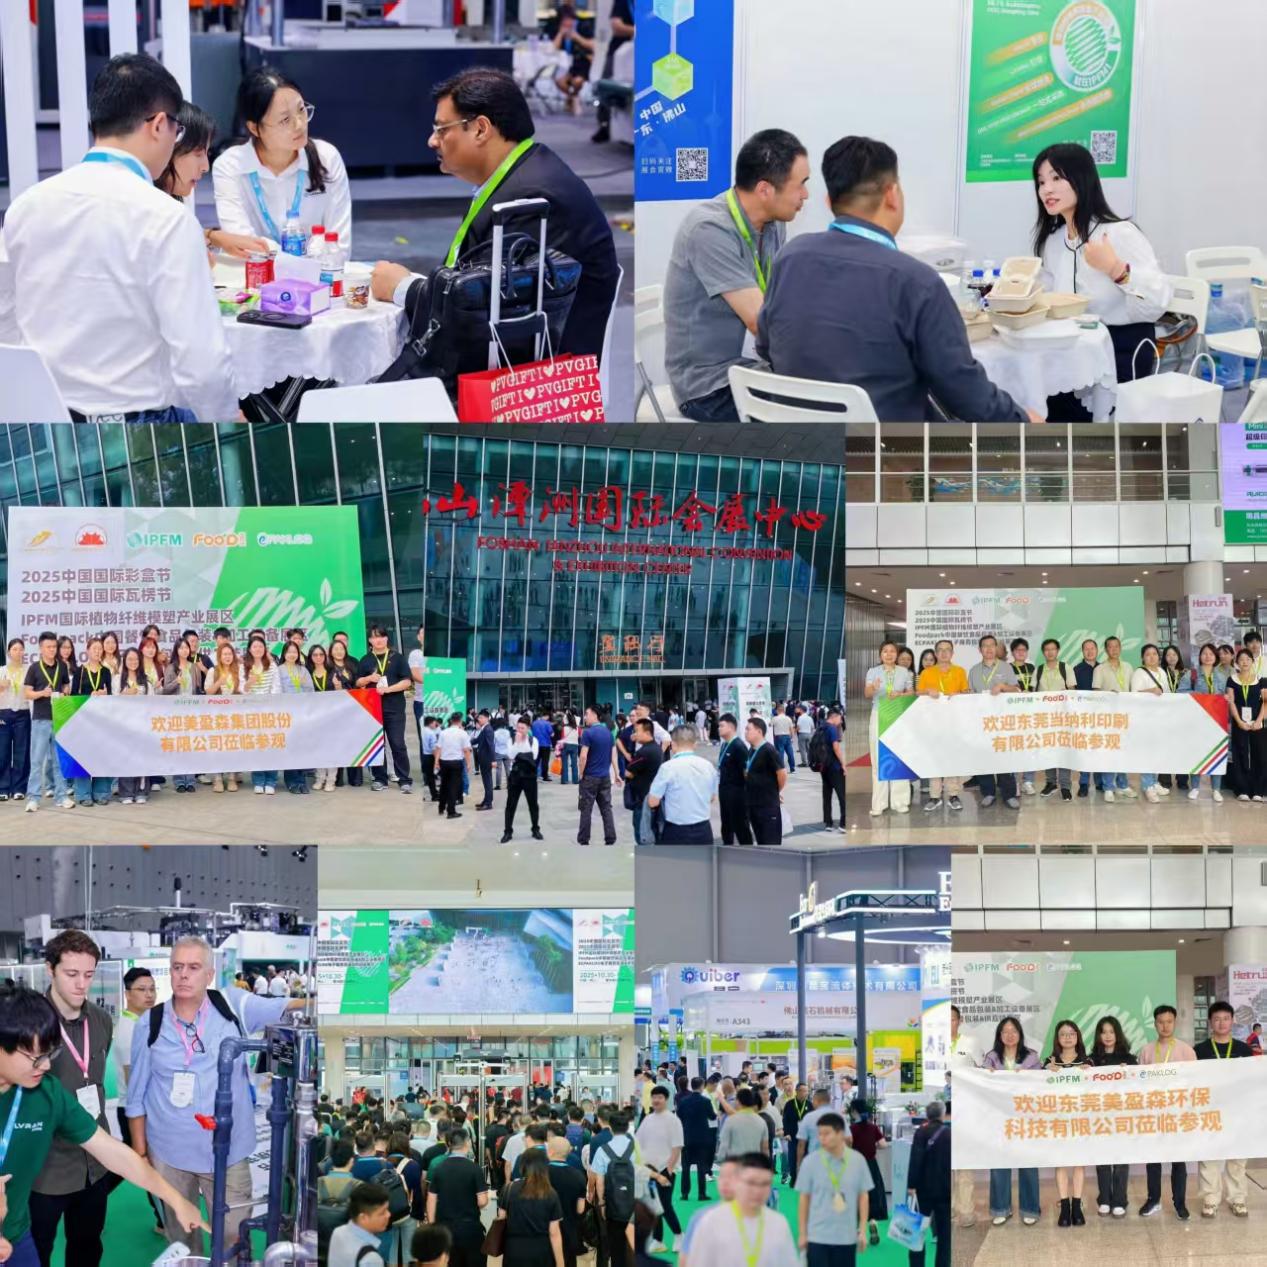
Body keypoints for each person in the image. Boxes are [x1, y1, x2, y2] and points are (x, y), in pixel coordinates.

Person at [1, 53, 238, 421]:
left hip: (45, 416)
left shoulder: (26, 206)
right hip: (136, 424)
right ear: (158, 125)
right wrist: (227, 421)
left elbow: (5, 318)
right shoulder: (167, 219)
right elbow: (202, 363)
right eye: (177, 131)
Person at [757, 136, 1033, 423]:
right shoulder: (917, 282)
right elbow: (966, 395)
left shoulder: (790, 257)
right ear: (892, 194)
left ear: (829, 202)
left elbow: (766, 346)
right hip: (887, 446)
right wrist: (1024, 420)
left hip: (798, 439)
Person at [372, 69, 619, 363]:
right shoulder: (523, 172)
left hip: (532, 375)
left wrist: (404, 289)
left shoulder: (531, 198)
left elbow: (486, 311)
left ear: (480, 129)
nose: (432, 141)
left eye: (442, 129)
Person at [0, 984, 207, 1267]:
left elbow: (112, 1152)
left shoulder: (47, 1093)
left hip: (16, 1234)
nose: (46, 1066)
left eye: (50, 1054)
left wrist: (175, 1199)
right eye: (36, 1057)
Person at [126, 935, 306, 1256]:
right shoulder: (149, 1024)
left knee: (233, 1241)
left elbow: (289, 1006)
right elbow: (136, 1094)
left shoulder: (233, 1005)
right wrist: (142, 1154)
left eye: (193, 967)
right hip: (168, 1154)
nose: (184, 974)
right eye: (177, 967)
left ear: (209, 974)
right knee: (182, 1242)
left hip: (229, 1151)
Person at [663, 129, 810, 420]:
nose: (806, 195)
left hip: (744, 370)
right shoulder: (709, 229)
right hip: (707, 387)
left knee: (832, 390)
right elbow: (761, 322)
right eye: (801, 185)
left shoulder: (772, 224)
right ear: (765, 190)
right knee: (818, 407)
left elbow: (780, 303)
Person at [1032, 142, 1171, 418]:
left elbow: (1157, 303)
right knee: (1034, 403)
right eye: (1041, 181)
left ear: (1082, 180)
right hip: (1073, 349)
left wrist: (1116, 269)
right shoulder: (1053, 242)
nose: (1046, 189)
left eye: (1056, 178)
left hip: (1122, 349)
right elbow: (1046, 297)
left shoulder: (1119, 234)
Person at [27, 932, 113, 1267]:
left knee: (87, 1247)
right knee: (36, 1253)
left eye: (89, 974)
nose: (81, 984)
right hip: (44, 1169)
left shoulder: (101, 1020)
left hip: (94, 1163)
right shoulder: (28, 1024)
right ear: (50, 969)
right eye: (71, 974)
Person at [212, 67, 351, 254]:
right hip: (256, 271)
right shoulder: (230, 167)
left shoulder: (326, 158)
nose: (299, 124)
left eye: (301, 110)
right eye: (285, 120)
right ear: (254, 128)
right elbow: (242, 244)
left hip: (318, 271)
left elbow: (339, 245)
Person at [153, 101, 269, 261]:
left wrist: (213, 237)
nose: (205, 167)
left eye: (207, 153)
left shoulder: (174, 202)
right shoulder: (147, 212)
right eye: (198, 153)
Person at [685, 1153, 799, 1267]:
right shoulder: (710, 1222)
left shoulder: (779, 1223)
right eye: (751, 1183)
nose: (758, 1191)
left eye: (765, 1184)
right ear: (737, 1182)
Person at [1194, 1001, 1253, 1218]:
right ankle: (1211, 1199)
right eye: (1217, 1019)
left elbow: (1252, 1081)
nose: (1221, 1023)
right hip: (1209, 1111)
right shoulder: (1199, 1050)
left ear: (1233, 1020)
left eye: (1226, 1018)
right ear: (1210, 1022)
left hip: (1238, 1112)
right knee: (1209, 1156)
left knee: (1237, 1158)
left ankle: (1237, 1199)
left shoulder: (1243, 1050)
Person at [1138, 1004, 1195, 1221]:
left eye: (1169, 1021)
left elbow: (1194, 1082)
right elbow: (1139, 1082)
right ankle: (1153, 1199)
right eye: (1161, 1022)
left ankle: (1180, 1203)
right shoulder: (1146, 1051)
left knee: (1178, 1161)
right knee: (1153, 1160)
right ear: (1154, 1024)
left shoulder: (1186, 1051)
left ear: (1175, 1023)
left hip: (1177, 1115)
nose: (1165, 1026)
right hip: (1153, 1114)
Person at [982, 1017, 1041, 1227]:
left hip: (1025, 1117)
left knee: (1027, 1163)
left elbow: (1039, 1085)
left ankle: (1030, 1208)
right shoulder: (991, 1058)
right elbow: (981, 1085)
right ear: (999, 1035)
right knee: (999, 1163)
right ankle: (1000, 1208)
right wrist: (986, 1076)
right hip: (998, 1118)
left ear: (1020, 1034)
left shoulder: (1032, 1057)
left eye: (1013, 1031)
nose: (1009, 1035)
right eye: (1005, 1031)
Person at [794, 1109, 870, 1267]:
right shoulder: (810, 1162)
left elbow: (863, 1196)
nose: (822, 1138)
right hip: (817, 1236)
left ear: (841, 1133)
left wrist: (863, 1230)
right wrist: (802, 1233)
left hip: (846, 1237)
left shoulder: (858, 1161)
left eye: (827, 1133)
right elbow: (804, 1199)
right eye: (819, 1134)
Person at [1043, 1019, 1091, 1226]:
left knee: (1079, 1162)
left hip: (1080, 1118)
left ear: (1077, 1036)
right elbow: (1037, 1087)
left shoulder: (1087, 1061)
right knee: (1061, 1161)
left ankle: (1077, 1205)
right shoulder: (1049, 1061)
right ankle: (1064, 1206)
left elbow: (1098, 1087)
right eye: (1063, 1034)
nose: (1068, 1037)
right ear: (1057, 1038)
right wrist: (1046, 1072)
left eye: (1072, 1033)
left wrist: (1090, 1073)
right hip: (1058, 1119)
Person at [356, 625, 413, 795]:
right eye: (374, 637)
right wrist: (369, 678)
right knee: (377, 745)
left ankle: (404, 779)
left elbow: (407, 681)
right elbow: (358, 682)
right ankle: (380, 779)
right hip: (372, 709)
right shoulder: (365, 660)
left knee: (398, 744)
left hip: (394, 708)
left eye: (381, 636)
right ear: (370, 640)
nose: (378, 640)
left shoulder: (398, 658)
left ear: (387, 638)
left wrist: (388, 689)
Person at [967, 635, 1021, 810]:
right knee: (984, 757)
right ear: (980, 649)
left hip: (1002, 721)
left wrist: (1003, 687)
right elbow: (969, 696)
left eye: (992, 645)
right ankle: (988, 792)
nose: (989, 649)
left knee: (1004, 757)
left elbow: (1017, 690)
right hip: (982, 721)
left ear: (996, 648)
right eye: (985, 646)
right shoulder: (974, 671)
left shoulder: (1006, 667)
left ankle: (1009, 794)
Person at [916, 640, 969, 812]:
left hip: (954, 722)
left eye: (947, 650)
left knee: (952, 758)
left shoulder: (960, 671)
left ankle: (953, 794)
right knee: (934, 758)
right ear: (936, 653)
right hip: (933, 723)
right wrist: (927, 691)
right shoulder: (927, 673)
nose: (944, 653)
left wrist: (959, 694)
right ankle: (935, 796)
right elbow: (918, 693)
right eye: (940, 650)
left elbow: (966, 692)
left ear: (952, 653)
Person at [22, 631, 72, 812]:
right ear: (41, 648)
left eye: (54, 647)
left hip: (59, 718)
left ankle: (62, 796)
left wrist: (65, 692)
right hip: (40, 720)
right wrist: (42, 693)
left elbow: (66, 685)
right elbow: (27, 693)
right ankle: (33, 798)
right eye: (48, 647)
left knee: (59, 761)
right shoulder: (34, 668)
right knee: (36, 760)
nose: (52, 650)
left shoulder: (62, 666)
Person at [647, 724, 719, 845]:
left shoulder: (667, 768)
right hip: (704, 830)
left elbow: (652, 802)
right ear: (695, 744)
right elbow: (712, 798)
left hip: (676, 831)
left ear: (673, 744)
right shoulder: (708, 766)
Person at [426, 1126, 488, 1267]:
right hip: (470, 1228)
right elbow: (482, 1201)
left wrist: (432, 1224)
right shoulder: (474, 1169)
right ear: (467, 1143)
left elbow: (431, 1199)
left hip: (445, 1228)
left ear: (448, 1144)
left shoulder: (439, 1168)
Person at [866, 641, 915, 816]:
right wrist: (874, 687)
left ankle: (900, 801)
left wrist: (900, 694)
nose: (889, 654)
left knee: (898, 757)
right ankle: (879, 804)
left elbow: (911, 692)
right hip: (879, 714)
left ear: (897, 654)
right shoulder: (873, 672)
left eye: (892, 651)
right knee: (878, 758)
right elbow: (867, 693)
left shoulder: (905, 672)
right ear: (880, 654)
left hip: (898, 715)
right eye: (885, 651)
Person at [495, 1149, 565, 1267]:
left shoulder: (509, 1189)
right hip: (541, 1251)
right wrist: (560, 1262)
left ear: (522, 1166)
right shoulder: (550, 1193)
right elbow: (554, 1232)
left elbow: (501, 1217)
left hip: (514, 1249)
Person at [66, 638, 113, 807]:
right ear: (87, 650)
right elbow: (73, 697)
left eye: (100, 649)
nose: (97, 651)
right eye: (94, 648)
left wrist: (105, 695)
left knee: (101, 755)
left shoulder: (106, 671)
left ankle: (101, 792)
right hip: (83, 720)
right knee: (83, 757)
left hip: (101, 720)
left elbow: (111, 696)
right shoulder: (80, 671)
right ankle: (83, 794)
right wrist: (89, 696)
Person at [635, 1086, 683, 1248]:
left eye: (660, 1097)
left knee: (665, 1205)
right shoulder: (648, 1119)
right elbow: (638, 1143)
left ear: (666, 1099)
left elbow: (677, 1147)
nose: (656, 1100)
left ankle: (678, 1235)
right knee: (653, 1205)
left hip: (666, 1169)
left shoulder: (673, 1120)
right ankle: (658, 1240)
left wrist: (669, 1169)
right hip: (649, 1170)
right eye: (654, 1097)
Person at [906, 1102, 951, 1267]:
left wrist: (911, 1185)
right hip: (945, 1190)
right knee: (945, 1235)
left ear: (927, 1115)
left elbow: (915, 1160)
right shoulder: (949, 1134)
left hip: (923, 1190)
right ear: (942, 1114)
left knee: (917, 1232)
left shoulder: (921, 1132)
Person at [1091, 636, 1136, 802]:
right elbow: (1095, 692)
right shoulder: (1100, 669)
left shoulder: (1128, 667)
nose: (1114, 649)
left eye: (1117, 646)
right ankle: (1108, 787)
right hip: (1108, 717)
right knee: (1109, 751)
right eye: (1110, 647)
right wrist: (1108, 694)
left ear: (1120, 648)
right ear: (1106, 649)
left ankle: (1123, 785)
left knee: (1123, 751)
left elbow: (1133, 690)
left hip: (1125, 716)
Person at [1131, 643, 1176, 803]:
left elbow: (1167, 694)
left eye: (1154, 654)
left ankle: (1154, 781)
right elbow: (1133, 694)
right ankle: (1147, 785)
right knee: (1146, 752)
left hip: (1160, 719)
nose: (1152, 657)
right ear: (1142, 658)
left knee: (1157, 752)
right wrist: (1150, 691)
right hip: (1145, 719)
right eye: (1148, 654)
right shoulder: (1139, 673)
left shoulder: (1162, 672)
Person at [1188, 642, 1229, 802]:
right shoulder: (1191, 674)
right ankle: (1195, 787)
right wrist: (1197, 695)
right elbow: (1181, 692)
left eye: (1211, 654)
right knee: (1196, 753)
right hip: (1197, 720)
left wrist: (1226, 698)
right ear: (1200, 656)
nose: (1208, 656)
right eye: (1204, 653)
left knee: (1217, 753)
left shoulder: (1222, 676)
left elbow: (1227, 696)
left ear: (1215, 657)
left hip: (1216, 721)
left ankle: (1216, 789)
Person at [1226, 648, 1267, 801]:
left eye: (1248, 659)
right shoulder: (1231, 680)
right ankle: (1242, 789)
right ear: (1237, 662)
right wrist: (1239, 721)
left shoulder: (1261, 680)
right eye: (1241, 659)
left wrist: (1259, 720)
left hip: (1257, 723)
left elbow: (1265, 702)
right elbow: (1231, 702)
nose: (1244, 662)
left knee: (1260, 755)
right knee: (1240, 753)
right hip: (1239, 722)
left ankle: (1258, 791)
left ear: (1252, 662)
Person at [577, 705, 621, 846]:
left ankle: (584, 840)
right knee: (606, 809)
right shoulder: (608, 733)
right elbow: (613, 755)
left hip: (590, 777)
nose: (585, 717)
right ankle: (610, 838)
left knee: (586, 809)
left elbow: (583, 756)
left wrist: (581, 773)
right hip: (605, 777)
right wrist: (617, 773)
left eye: (587, 714)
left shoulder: (588, 733)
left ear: (595, 715)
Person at [591, 0, 633, 142]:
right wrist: (638, 30)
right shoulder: (623, 2)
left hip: (642, 50)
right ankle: (604, 125)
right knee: (606, 87)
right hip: (619, 51)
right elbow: (616, 26)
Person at [846, 1101, 887, 1237]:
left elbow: (847, 1146)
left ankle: (858, 1229)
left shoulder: (851, 1129)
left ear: (854, 1111)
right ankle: (873, 1222)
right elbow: (883, 1144)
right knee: (873, 1194)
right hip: (871, 1165)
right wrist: (873, 1146)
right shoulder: (873, 1127)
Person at [743, 717, 786, 844]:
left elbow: (782, 774)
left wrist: (775, 791)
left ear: (759, 732)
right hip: (754, 804)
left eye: (748, 729)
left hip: (767, 806)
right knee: (761, 841)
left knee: (771, 843)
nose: (745, 732)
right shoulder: (752, 749)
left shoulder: (769, 750)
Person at [329, 1182, 392, 1267]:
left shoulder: (338, 1232)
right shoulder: (371, 1259)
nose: (388, 1215)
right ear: (363, 1218)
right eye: (382, 1213)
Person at [502, 715, 544, 843]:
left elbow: (534, 756)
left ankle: (535, 829)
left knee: (533, 804)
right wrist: (517, 744)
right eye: (518, 727)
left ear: (528, 728)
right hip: (515, 776)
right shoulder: (511, 740)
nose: (519, 730)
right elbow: (510, 755)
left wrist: (519, 754)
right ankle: (508, 831)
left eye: (522, 728)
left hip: (529, 776)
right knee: (510, 804)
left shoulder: (533, 740)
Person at [623, 717, 663, 846]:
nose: (635, 734)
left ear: (647, 732)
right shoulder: (657, 748)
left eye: (637, 731)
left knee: (642, 835)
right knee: (653, 832)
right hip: (652, 796)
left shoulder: (644, 752)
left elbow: (628, 771)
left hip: (642, 800)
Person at [675, 1076, 716, 1202]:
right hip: (702, 1138)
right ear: (702, 1086)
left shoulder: (683, 1101)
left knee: (685, 1167)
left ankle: (684, 1193)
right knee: (701, 1166)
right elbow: (712, 1116)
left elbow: (679, 1115)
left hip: (687, 1137)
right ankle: (701, 1194)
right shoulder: (705, 1101)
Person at [714, 713, 753, 845]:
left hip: (737, 793)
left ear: (731, 727)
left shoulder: (739, 746)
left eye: (721, 726)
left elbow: (746, 772)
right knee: (726, 825)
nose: (718, 728)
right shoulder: (725, 745)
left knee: (741, 826)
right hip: (725, 791)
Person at [0, 638, 31, 803]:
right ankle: (3, 788)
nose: (18, 652)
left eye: (21, 649)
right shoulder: (1, 670)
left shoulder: (28, 670)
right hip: (3, 713)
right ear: (9, 652)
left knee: (21, 752)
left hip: (23, 713)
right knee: (2, 752)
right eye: (15, 649)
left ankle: (19, 788)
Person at [1071, 639, 1102, 799]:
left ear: (1097, 650)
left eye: (1092, 648)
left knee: (1100, 747)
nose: (1089, 651)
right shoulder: (1076, 670)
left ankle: (1099, 782)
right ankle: (1083, 783)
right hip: (1083, 716)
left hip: (1102, 716)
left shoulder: (1103, 668)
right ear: (1082, 651)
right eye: (1086, 649)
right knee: (1084, 750)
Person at [551, 5, 594, 115]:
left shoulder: (583, 26)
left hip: (583, 61)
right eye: (564, 20)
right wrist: (560, 34)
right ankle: (574, 97)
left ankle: (572, 100)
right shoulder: (559, 29)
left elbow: (592, 46)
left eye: (569, 19)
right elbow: (554, 48)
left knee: (577, 81)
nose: (567, 23)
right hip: (566, 63)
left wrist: (576, 37)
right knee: (559, 80)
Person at [436, 712, 473, 817]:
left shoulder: (443, 732)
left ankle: (441, 807)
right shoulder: (463, 733)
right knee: (453, 786)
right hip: (456, 763)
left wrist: (436, 762)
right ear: (460, 721)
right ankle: (451, 811)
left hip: (444, 762)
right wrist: (468, 763)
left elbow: (439, 748)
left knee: (444, 785)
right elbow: (466, 750)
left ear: (451, 721)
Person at [818, 706, 846, 832]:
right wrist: (843, 764)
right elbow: (836, 748)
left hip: (824, 767)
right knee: (842, 795)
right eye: (840, 718)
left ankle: (828, 823)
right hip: (834, 766)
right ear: (834, 716)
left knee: (827, 795)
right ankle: (843, 824)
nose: (841, 721)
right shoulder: (832, 729)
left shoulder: (821, 727)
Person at [780, 1084, 811, 1187]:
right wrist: (787, 1133)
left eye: (806, 1091)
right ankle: (794, 1178)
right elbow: (785, 1120)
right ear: (797, 1091)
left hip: (806, 1137)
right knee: (792, 1158)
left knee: (806, 1158)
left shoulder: (810, 1105)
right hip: (793, 1136)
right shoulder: (789, 1104)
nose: (805, 1093)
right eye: (803, 1091)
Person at [473, 710, 497, 811]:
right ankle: (486, 800)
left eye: (481, 718)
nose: (479, 719)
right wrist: (466, 742)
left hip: (486, 759)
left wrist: (493, 760)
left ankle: (488, 803)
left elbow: (491, 745)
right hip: (483, 759)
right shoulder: (484, 728)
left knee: (488, 782)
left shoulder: (488, 729)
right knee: (486, 781)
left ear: (487, 718)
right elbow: (477, 740)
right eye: (479, 717)